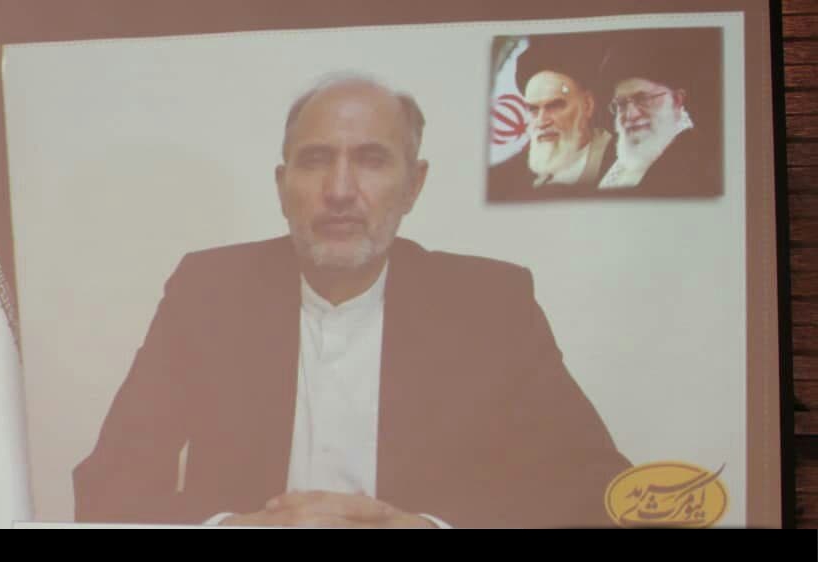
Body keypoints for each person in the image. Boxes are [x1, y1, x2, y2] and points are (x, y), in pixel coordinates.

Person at [72, 72, 632, 528]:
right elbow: (108, 484)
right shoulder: (208, 292)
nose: (339, 191)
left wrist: (434, 528)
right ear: (282, 185)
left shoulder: (490, 305)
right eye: (316, 160)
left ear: (413, 185)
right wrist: (231, 528)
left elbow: (597, 488)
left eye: (371, 160)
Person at [596, 28, 722, 196]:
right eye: (621, 104)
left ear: (676, 100)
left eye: (643, 99)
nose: (631, 115)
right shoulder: (613, 159)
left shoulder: (699, 162)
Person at [487, 34, 613, 201]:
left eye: (555, 106)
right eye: (533, 109)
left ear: (587, 105)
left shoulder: (619, 161)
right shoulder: (507, 179)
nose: (541, 121)